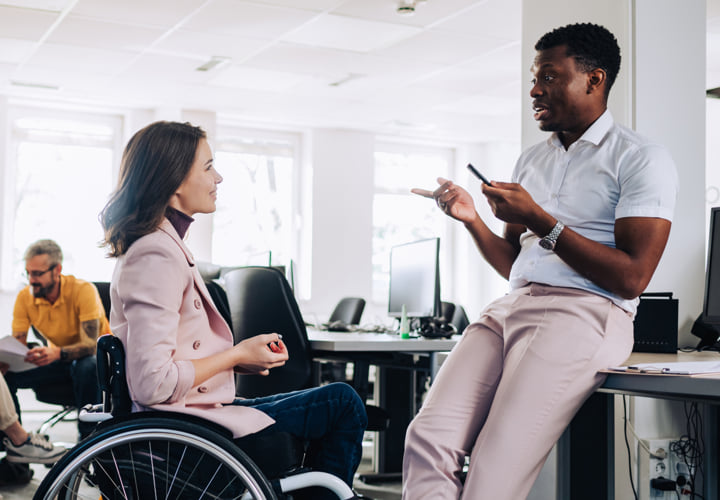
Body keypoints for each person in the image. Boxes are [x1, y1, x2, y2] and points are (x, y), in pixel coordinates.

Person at [403, 23, 678, 500]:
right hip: (512, 307)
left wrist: (540, 219)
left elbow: (633, 277)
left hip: (584, 313)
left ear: (594, 79)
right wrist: (472, 219)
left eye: (549, 77)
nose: (535, 89)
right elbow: (515, 261)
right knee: (428, 439)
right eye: (534, 77)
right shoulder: (533, 159)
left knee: (494, 467)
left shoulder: (640, 158)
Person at [99, 120, 367, 500]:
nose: (218, 177)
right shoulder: (156, 253)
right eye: (208, 167)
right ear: (175, 179)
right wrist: (235, 354)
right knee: (342, 403)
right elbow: (152, 383)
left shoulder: (160, 245)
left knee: (337, 400)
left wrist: (235, 362)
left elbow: (166, 359)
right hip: (185, 426)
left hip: (190, 413)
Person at [7, 239, 110, 440]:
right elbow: (18, 344)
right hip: (59, 361)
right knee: (6, 375)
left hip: (97, 361)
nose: (31, 280)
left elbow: (91, 346)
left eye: (37, 274)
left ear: (57, 270)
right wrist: (9, 359)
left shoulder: (83, 290)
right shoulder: (25, 298)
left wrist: (57, 353)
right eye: (28, 273)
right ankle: (15, 442)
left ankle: (89, 439)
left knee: (87, 365)